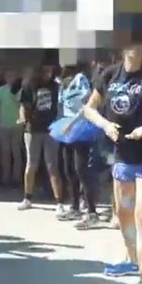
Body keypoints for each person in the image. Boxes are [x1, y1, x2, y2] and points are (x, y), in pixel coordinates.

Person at [82, 38, 142, 284]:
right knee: (123, 214)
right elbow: (89, 109)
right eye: (129, 42)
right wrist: (105, 125)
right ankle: (132, 259)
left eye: (139, 42)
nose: (134, 47)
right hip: (122, 156)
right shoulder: (110, 74)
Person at [49, 63, 103, 229]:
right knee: (69, 169)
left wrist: (71, 124)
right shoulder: (63, 86)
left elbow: (87, 106)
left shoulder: (80, 80)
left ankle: (92, 211)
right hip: (66, 126)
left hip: (80, 126)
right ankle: (74, 207)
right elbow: (62, 107)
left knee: (82, 170)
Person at [17, 64, 63, 211]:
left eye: (50, 71)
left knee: (52, 165)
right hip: (32, 129)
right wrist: (23, 119)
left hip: (51, 129)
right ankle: (27, 198)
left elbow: (59, 105)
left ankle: (59, 202)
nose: (48, 74)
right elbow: (23, 105)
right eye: (45, 71)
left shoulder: (55, 86)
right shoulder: (28, 85)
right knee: (31, 164)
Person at [0, 69, 24, 188]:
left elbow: (21, 105)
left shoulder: (20, 90)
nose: (10, 78)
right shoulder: (0, 91)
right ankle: (5, 177)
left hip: (17, 125)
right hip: (4, 125)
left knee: (16, 151)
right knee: (5, 152)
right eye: (8, 76)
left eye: (12, 76)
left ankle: (16, 178)